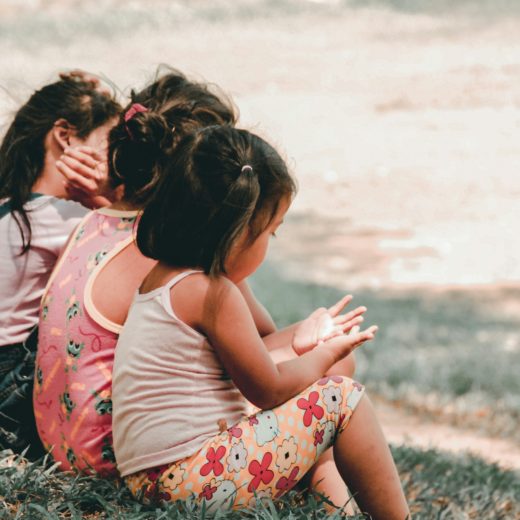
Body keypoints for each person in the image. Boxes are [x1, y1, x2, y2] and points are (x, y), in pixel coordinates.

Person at [112, 125, 410, 519]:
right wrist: (326, 354)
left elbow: (249, 355)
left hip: (155, 479)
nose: (270, 242)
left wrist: (304, 340)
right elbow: (268, 388)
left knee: (328, 381)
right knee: (342, 397)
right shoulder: (211, 293)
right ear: (238, 233)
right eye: (271, 231)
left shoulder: (166, 278)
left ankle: (339, 510)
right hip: (191, 480)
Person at [33, 70, 239, 476]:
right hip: (118, 455)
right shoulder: (164, 253)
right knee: (327, 372)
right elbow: (251, 352)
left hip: (62, 445)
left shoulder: (90, 222)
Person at [0, 74, 120, 458]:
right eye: (108, 145)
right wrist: (107, 202)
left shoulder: (10, 206)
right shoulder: (68, 218)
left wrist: (95, 93)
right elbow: (136, 255)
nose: (113, 163)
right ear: (65, 136)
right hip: (11, 385)